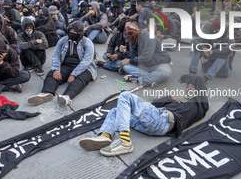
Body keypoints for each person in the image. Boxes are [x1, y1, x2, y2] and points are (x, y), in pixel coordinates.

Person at [79, 74, 209, 156]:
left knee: (125, 95)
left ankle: (125, 141)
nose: (189, 88)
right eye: (188, 86)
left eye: (193, 87)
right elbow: (154, 104)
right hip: (152, 123)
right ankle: (105, 136)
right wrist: (170, 97)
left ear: (200, 90)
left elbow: (198, 80)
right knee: (115, 111)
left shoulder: (197, 104)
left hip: (161, 120)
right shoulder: (182, 99)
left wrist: (185, 78)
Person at [27, 20, 96, 106]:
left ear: (80, 33)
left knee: (80, 80)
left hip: (84, 68)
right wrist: (56, 69)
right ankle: (46, 93)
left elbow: (86, 61)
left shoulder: (88, 43)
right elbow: (56, 54)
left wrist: (73, 75)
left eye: (75, 31)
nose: (72, 33)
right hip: (66, 65)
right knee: (51, 74)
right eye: (71, 30)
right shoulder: (63, 40)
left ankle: (67, 97)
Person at [120, 19, 172, 87]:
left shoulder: (148, 36)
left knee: (164, 73)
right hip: (145, 65)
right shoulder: (132, 39)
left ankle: (139, 80)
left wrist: (129, 60)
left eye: (129, 28)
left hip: (159, 64)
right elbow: (134, 56)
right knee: (126, 66)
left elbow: (147, 57)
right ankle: (153, 79)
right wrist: (125, 52)